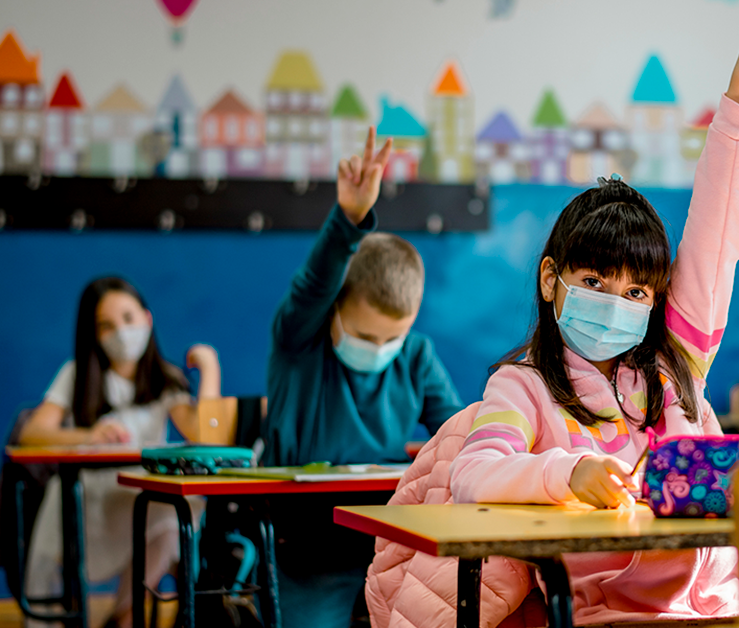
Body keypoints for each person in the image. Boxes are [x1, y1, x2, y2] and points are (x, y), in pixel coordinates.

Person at [365, 2, 739, 625]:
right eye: (594, 281)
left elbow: (717, 241)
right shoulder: (523, 387)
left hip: (716, 610)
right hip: (602, 617)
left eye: (636, 294)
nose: (616, 306)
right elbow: (474, 473)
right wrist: (569, 473)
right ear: (551, 280)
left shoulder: (677, 368)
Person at [262, 128, 463, 627]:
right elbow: (313, 284)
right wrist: (349, 219)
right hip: (307, 549)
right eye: (364, 334)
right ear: (334, 310)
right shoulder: (300, 341)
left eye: (391, 338)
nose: (380, 350)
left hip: (392, 543)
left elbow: (459, 433)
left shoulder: (414, 355)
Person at [19, 276, 219, 628]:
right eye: (106, 325)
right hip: (88, 502)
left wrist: (209, 367)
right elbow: (33, 433)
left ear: (146, 319)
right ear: (93, 334)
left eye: (128, 319)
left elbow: (206, 433)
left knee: (177, 512)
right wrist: (87, 435)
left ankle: (127, 614)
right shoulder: (77, 374)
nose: (121, 333)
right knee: (166, 512)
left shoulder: (165, 380)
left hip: (139, 498)